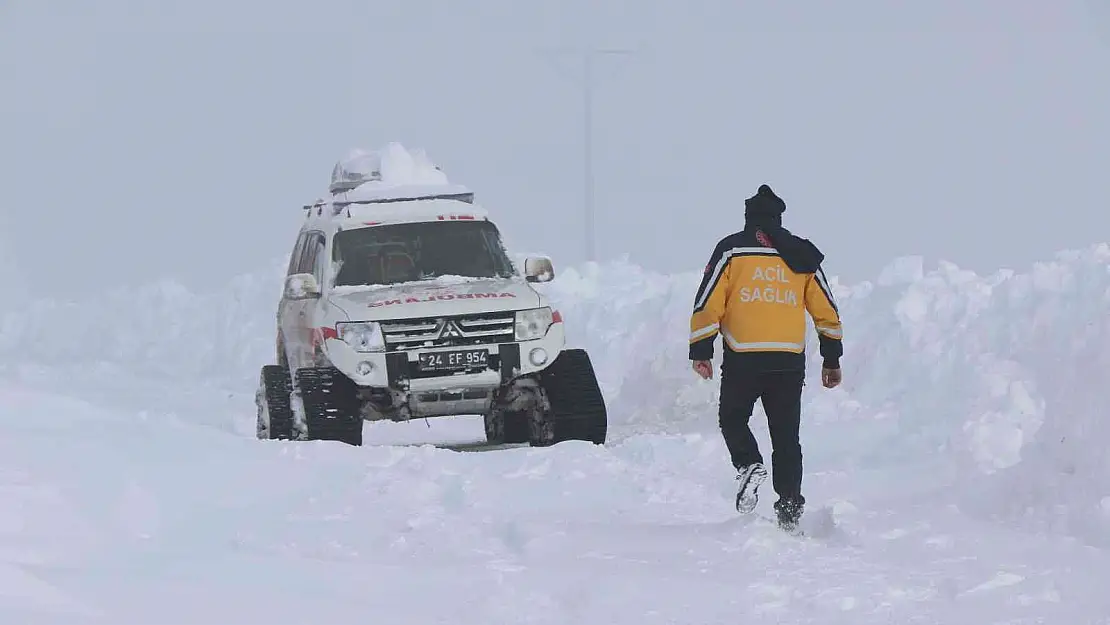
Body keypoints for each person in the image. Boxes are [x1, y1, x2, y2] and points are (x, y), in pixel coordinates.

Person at [688, 183, 843, 530]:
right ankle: (789, 508)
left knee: (733, 418)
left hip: (744, 356)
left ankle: (748, 465)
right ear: (779, 218)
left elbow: (708, 301)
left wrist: (702, 349)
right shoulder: (801, 255)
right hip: (788, 359)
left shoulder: (730, 251)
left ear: (748, 219)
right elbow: (827, 311)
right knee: (786, 436)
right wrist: (831, 358)